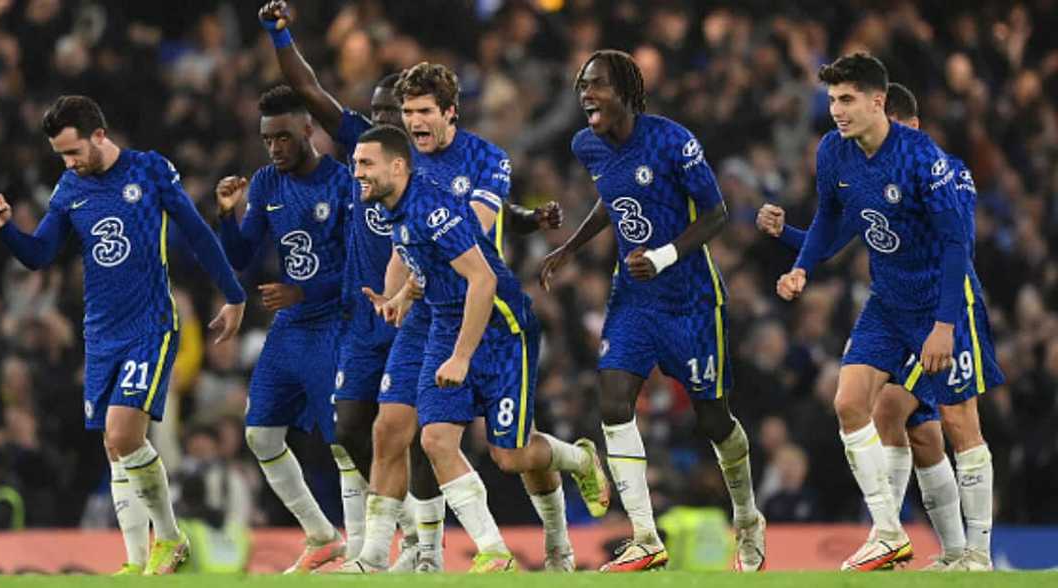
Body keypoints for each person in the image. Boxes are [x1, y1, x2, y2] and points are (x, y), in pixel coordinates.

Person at [257, 3, 563, 570]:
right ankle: (384, 552)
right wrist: (279, 32)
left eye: (411, 112)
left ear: (446, 113)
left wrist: (520, 220)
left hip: (472, 308)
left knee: (491, 449)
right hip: (398, 310)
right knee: (378, 429)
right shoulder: (384, 167)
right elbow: (310, 88)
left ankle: (434, 548)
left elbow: (469, 237)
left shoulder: (460, 167)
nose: (397, 122)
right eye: (391, 112)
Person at [0, 95, 246, 575]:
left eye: (73, 151)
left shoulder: (149, 171)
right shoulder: (68, 188)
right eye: (60, 155)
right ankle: (136, 560)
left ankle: (170, 537)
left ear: (99, 135)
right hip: (101, 334)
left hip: (150, 325)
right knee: (112, 444)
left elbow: (196, 232)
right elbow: (40, 254)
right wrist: (5, 230)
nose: (68, 162)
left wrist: (234, 294)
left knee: (125, 432)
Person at [757, 82, 1000, 571]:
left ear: (908, 126)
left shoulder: (944, 171)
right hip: (892, 304)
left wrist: (944, 324)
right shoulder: (864, 165)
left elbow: (958, 245)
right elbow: (838, 233)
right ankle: (926, 545)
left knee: (955, 422)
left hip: (945, 307)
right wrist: (788, 238)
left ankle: (977, 553)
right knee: (892, 414)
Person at [539, 49, 764, 573]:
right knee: (614, 403)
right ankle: (644, 535)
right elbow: (611, 200)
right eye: (582, 87)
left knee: (714, 418)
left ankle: (748, 516)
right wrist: (569, 248)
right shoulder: (586, 145)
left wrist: (663, 256)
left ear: (626, 92)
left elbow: (716, 214)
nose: (586, 95)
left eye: (596, 85)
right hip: (634, 299)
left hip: (690, 298)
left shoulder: (673, 141)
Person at [352, 125, 607, 573]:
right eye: (356, 164)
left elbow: (483, 279)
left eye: (366, 164)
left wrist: (462, 356)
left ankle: (580, 459)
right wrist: (399, 300)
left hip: (503, 330)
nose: (358, 173)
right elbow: (425, 265)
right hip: (446, 324)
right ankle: (494, 551)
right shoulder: (395, 207)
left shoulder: (432, 209)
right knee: (434, 439)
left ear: (397, 166)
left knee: (510, 456)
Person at [214, 85, 352, 574]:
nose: (274, 148)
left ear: (308, 129)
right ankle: (321, 535)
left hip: (335, 321)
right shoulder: (268, 183)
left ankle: (368, 551)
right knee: (261, 435)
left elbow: (362, 270)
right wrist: (228, 217)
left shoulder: (344, 183)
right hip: (291, 326)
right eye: (267, 139)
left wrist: (303, 293)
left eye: (283, 137)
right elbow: (242, 257)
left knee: (344, 441)